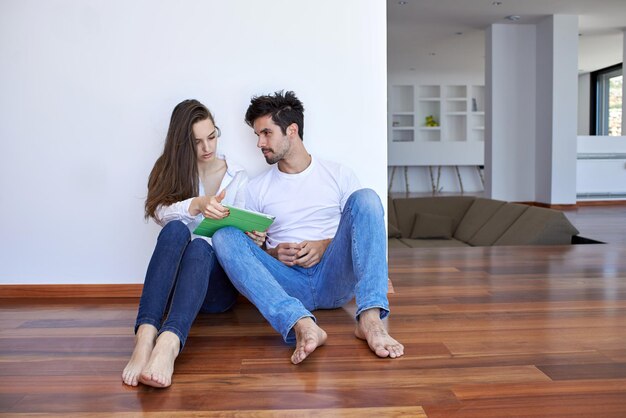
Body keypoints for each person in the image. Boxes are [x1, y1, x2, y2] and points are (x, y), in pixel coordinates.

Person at [212, 91, 404, 364]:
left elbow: (359, 233)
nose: (259, 143)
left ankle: (371, 321)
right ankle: (301, 323)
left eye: (266, 133)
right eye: (257, 135)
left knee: (367, 198)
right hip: (287, 283)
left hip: (334, 277)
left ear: (292, 130)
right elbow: (256, 256)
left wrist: (323, 246)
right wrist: (274, 253)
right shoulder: (255, 188)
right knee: (224, 235)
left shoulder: (338, 174)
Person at [122, 99, 253, 388]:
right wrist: (195, 204)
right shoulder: (171, 170)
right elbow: (158, 213)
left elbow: (241, 238)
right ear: (183, 144)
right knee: (176, 229)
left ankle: (168, 343)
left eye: (212, 136)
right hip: (176, 290)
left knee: (201, 246)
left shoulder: (238, 176)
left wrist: (252, 235)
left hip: (217, 289)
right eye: (197, 142)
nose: (208, 148)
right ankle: (145, 337)